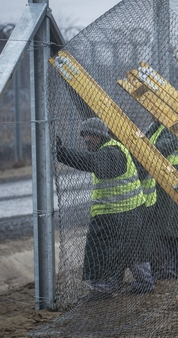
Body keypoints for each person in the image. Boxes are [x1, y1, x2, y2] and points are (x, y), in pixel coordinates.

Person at [55, 117, 156, 301]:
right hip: (122, 211)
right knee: (131, 249)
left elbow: (89, 162)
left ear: (100, 135)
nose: (86, 139)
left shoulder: (112, 153)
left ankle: (106, 288)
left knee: (101, 250)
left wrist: (61, 153)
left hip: (122, 212)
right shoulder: (108, 150)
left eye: (90, 135)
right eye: (84, 135)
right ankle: (141, 283)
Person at [145, 119, 178, 280]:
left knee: (176, 228)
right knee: (169, 228)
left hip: (176, 181)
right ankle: (172, 267)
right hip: (165, 183)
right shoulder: (156, 127)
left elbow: (160, 148)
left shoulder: (169, 127)